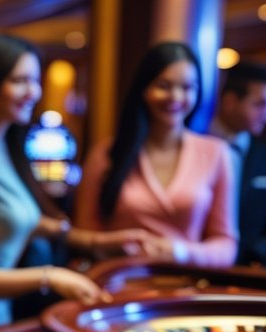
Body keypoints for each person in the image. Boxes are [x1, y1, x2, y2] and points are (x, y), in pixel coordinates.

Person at [0, 34, 155, 332]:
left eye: (35, 80)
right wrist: (49, 277)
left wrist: (99, 241)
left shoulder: (4, 145)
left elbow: (9, 219)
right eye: (20, 81)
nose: (33, 92)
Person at [74, 42, 237, 268]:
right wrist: (114, 244)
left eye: (187, 87)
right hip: (117, 286)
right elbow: (83, 237)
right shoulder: (106, 153)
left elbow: (226, 246)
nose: (176, 96)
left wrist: (180, 252)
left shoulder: (216, 153)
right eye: (164, 85)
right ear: (143, 89)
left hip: (184, 291)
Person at [210, 61, 266, 267]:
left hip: (249, 273)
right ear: (230, 101)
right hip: (190, 266)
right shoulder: (191, 146)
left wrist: (253, 254)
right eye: (260, 104)